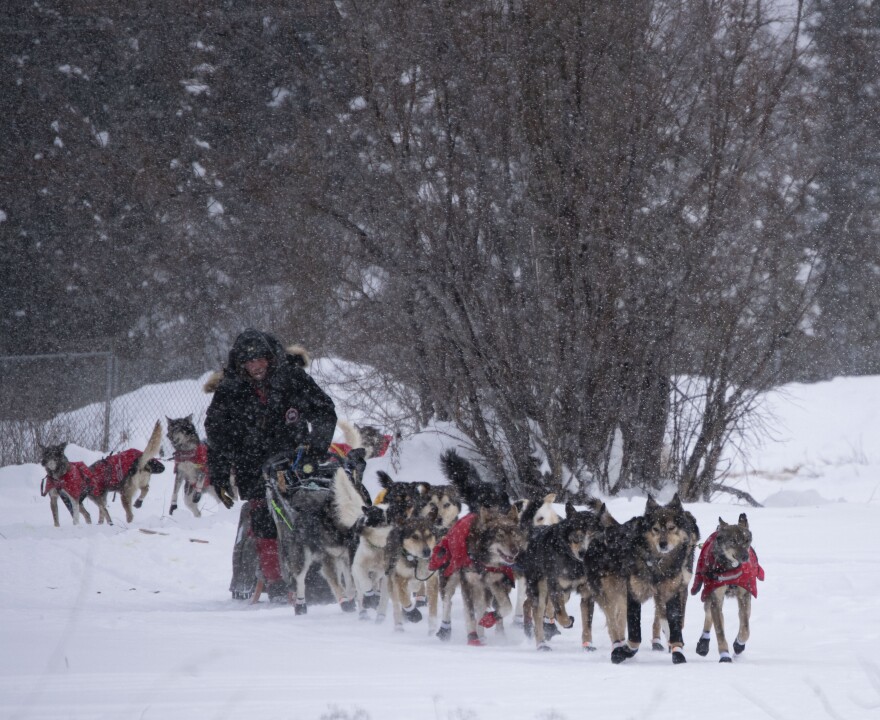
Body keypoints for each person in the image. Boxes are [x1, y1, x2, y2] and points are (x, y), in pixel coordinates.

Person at [205, 328, 337, 600]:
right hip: (251, 466)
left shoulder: (291, 377)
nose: (255, 366)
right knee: (264, 517)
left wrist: (316, 446)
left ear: (271, 358)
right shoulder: (230, 389)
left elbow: (324, 410)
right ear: (240, 364)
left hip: (295, 461)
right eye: (248, 361)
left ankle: (317, 579)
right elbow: (217, 436)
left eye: (260, 359)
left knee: (305, 515)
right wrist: (218, 475)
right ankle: (276, 584)